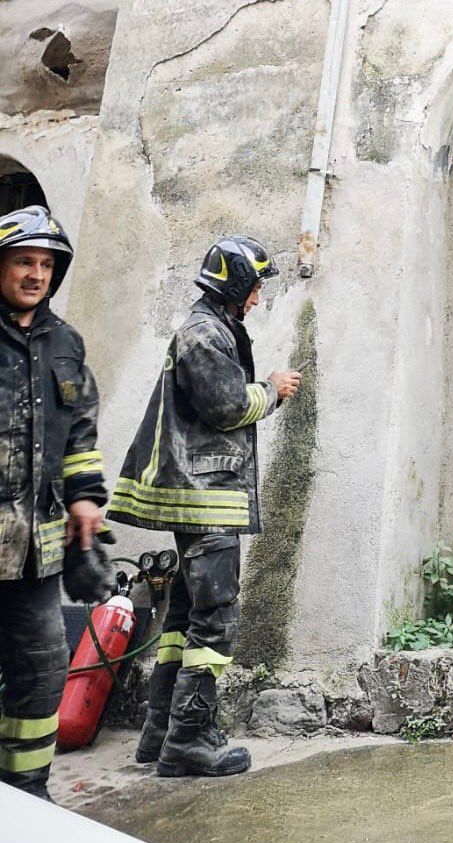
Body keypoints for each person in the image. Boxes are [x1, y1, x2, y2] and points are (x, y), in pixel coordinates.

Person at [109, 236, 301, 777]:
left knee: (186, 617)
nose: (259, 300)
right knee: (214, 621)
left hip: (199, 496)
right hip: (206, 499)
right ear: (236, 284)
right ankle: (189, 738)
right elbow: (226, 405)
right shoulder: (204, 333)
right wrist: (273, 389)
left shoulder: (211, 328)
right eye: (256, 288)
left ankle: (160, 733)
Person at [0, 205, 111, 800]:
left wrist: (87, 500)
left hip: (34, 555)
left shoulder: (65, 342)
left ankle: (26, 792)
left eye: (46, 265)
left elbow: (81, 434)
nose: (35, 274)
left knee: (42, 674)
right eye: (23, 261)